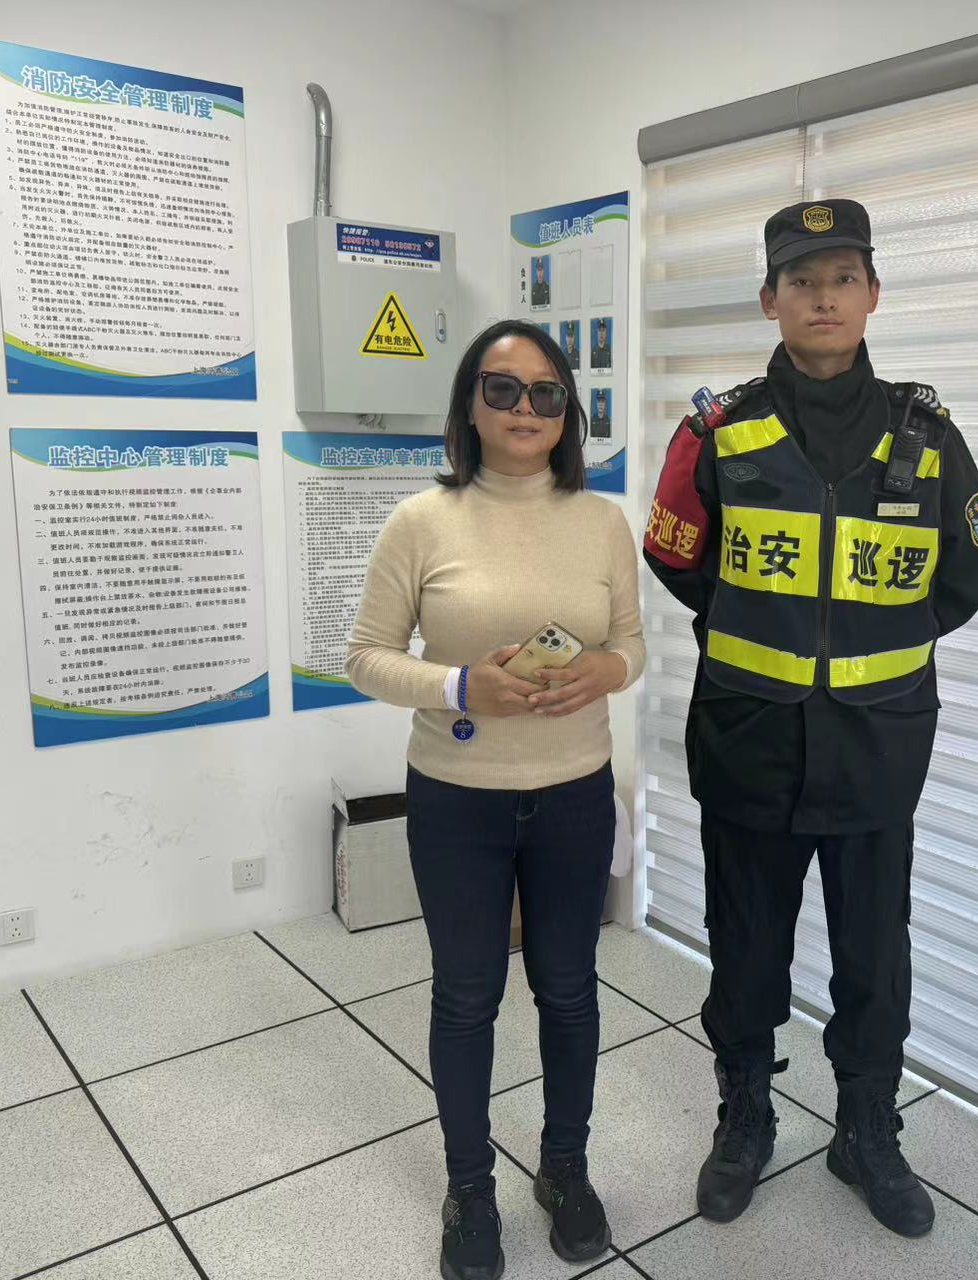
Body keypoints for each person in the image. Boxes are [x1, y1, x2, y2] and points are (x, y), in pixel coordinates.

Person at [643, 199, 978, 1239]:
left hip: (877, 748)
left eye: (843, 277)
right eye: (801, 280)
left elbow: (969, 565)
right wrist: (763, 627)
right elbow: (675, 551)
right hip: (749, 741)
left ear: (873, 293)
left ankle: (865, 1130)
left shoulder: (927, 436)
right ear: (770, 299)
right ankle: (745, 1116)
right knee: (746, 949)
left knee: (873, 961)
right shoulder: (719, 430)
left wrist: (869, 646)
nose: (823, 297)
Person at [348, 319, 645, 1280]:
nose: (525, 408)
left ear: (569, 412)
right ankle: (468, 1188)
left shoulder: (603, 521)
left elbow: (633, 648)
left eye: (546, 392)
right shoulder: (420, 521)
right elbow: (365, 658)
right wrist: (458, 686)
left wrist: (605, 669)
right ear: (469, 406)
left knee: (568, 988)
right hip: (458, 800)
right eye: (502, 388)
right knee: (467, 995)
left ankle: (564, 1167)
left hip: (574, 795)